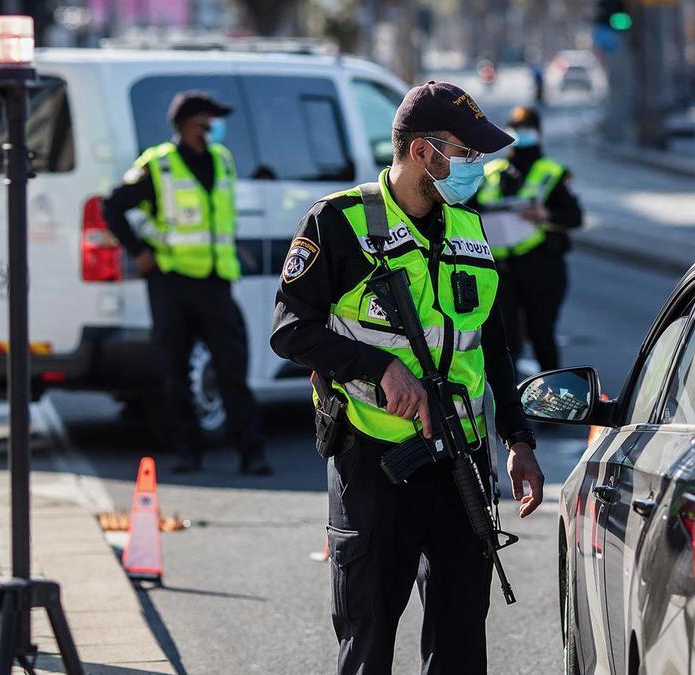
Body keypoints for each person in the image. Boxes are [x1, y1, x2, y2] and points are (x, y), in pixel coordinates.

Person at [270, 81, 544, 674]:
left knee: (461, 645)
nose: (476, 166)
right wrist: (379, 367)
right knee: (368, 643)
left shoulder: (471, 227)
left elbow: (493, 346)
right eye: (466, 154)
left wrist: (519, 441)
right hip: (374, 460)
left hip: (461, 461)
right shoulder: (340, 222)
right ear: (423, 151)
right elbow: (290, 329)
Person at [102, 91, 271, 476]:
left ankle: (251, 451)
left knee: (232, 367)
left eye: (213, 122)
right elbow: (112, 206)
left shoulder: (221, 161)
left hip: (215, 281)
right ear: (184, 124)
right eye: (204, 121)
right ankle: (188, 450)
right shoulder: (158, 166)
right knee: (175, 370)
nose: (210, 129)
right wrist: (139, 252)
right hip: (171, 282)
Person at [472, 105, 583, 373]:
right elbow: (470, 210)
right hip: (502, 269)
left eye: (527, 130)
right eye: (515, 130)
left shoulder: (554, 172)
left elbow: (574, 217)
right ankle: (510, 403)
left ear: (538, 133)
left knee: (542, 334)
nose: (521, 135)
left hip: (541, 266)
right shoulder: (492, 172)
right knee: (505, 340)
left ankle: (556, 402)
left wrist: (546, 215)